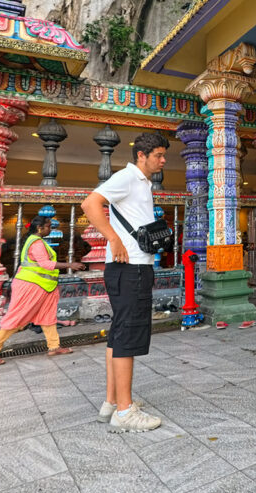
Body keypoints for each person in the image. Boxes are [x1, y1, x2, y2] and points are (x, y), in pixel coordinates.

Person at [81, 132, 169, 433]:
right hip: (129, 267)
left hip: (130, 267)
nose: (163, 160)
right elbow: (90, 204)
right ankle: (124, 411)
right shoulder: (128, 177)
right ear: (141, 155)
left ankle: (111, 401)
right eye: (158, 155)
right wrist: (114, 238)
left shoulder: (142, 183)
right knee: (128, 336)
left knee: (119, 334)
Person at [0, 216, 85, 365]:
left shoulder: (36, 241)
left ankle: (54, 346)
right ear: (39, 228)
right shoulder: (36, 242)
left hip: (44, 285)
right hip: (31, 284)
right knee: (17, 317)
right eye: (48, 226)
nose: (50, 229)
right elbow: (45, 264)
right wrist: (71, 265)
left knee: (48, 316)